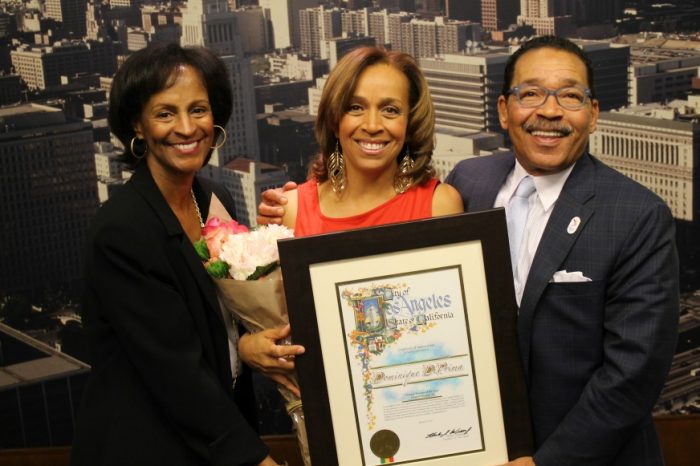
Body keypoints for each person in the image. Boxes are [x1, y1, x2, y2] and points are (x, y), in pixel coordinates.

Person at [258, 36, 680, 466]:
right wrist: (305, 203)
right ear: (503, 110)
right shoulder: (469, 184)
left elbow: (633, 374)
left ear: (592, 114)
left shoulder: (637, 216)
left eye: (570, 95)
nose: (549, 111)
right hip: (454, 445)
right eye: (530, 93)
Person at [71, 43, 281, 466]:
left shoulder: (213, 199)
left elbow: (216, 321)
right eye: (166, 113)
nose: (187, 128)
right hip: (147, 446)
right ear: (138, 125)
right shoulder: (122, 230)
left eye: (198, 109)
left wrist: (248, 342)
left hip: (213, 437)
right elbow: (174, 372)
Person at [239, 46, 464, 379]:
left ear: (410, 121)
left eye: (390, 110)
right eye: (355, 107)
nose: (372, 125)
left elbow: (455, 326)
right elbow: (275, 324)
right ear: (334, 117)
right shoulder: (291, 209)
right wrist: (248, 346)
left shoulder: (440, 205)